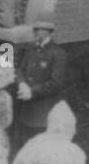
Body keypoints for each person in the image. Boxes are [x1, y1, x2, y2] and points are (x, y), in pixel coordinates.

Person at [14, 20, 67, 150]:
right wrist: (21, 84)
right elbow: (20, 69)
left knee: (38, 148)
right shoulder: (31, 49)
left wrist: (32, 91)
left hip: (42, 112)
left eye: (41, 29)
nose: (36, 31)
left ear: (50, 32)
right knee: (24, 146)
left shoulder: (58, 53)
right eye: (36, 28)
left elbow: (55, 83)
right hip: (26, 110)